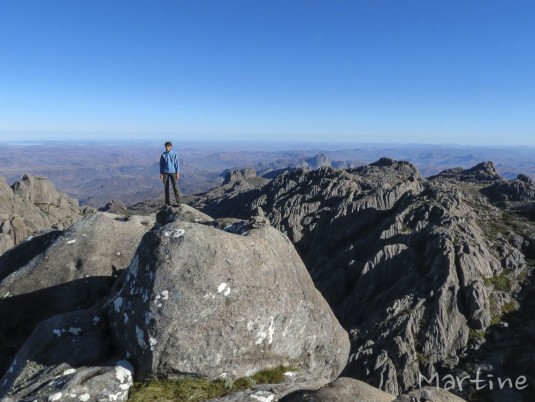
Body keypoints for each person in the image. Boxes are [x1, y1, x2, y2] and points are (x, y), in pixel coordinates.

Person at [159, 141, 181, 207]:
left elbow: (177, 164)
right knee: (166, 187)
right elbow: (161, 165)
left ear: (171, 147)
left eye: (168, 146)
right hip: (165, 172)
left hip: (173, 172)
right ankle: (167, 203)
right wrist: (161, 173)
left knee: (175, 187)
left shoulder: (175, 154)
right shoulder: (163, 154)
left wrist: (177, 172)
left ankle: (178, 202)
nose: (167, 147)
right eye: (166, 146)